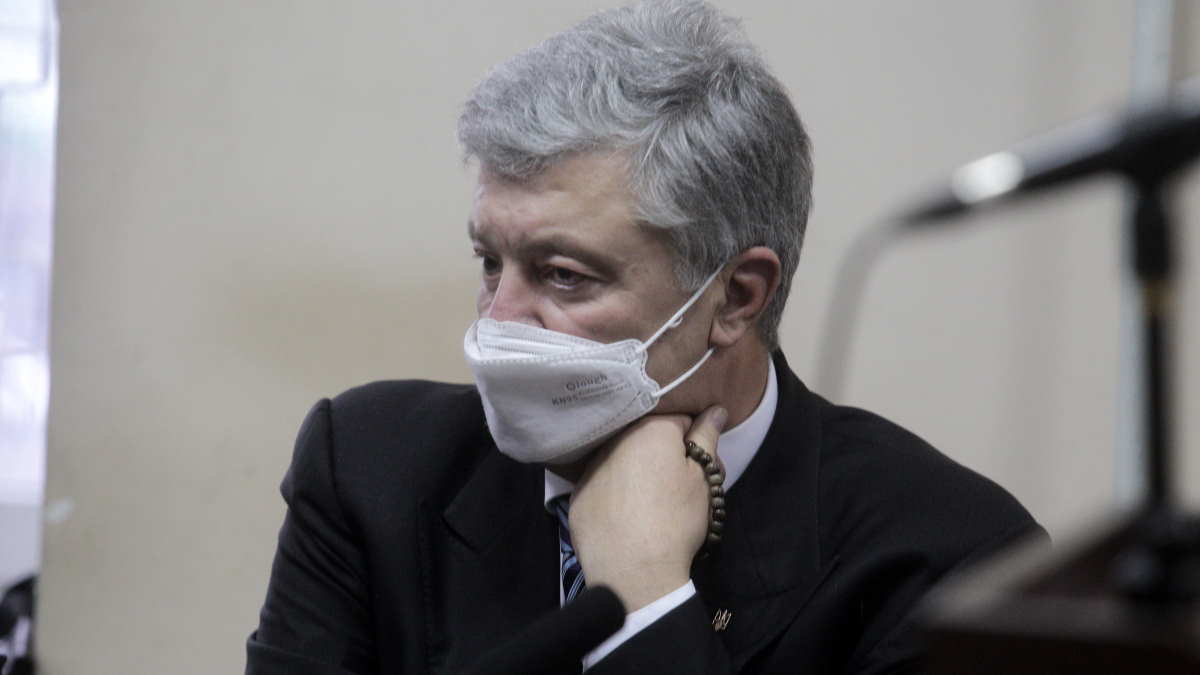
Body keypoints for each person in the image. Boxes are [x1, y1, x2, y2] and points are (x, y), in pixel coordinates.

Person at [246, 1, 1044, 673]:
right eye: (491, 262)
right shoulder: (370, 471)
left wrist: (648, 603)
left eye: (563, 274)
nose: (499, 320)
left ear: (736, 297)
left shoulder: (954, 563)